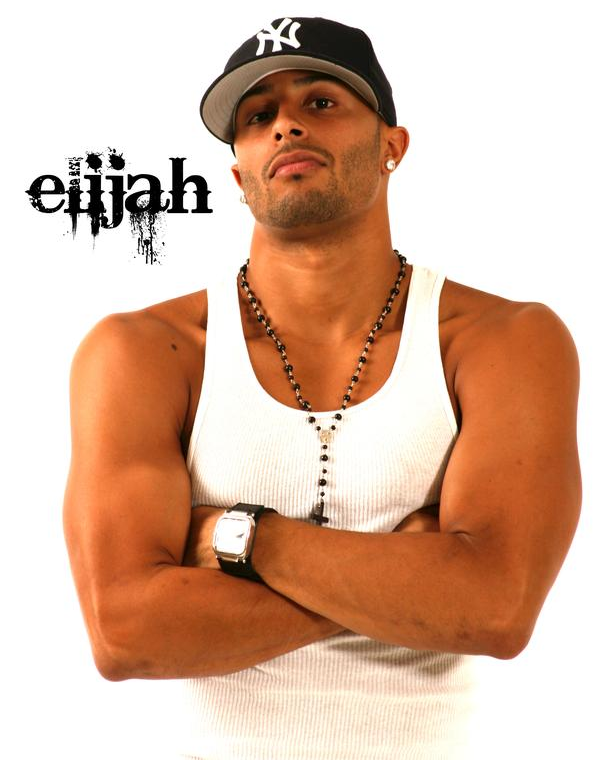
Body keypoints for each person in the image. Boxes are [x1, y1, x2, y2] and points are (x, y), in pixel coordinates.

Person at [63, 16, 582, 760]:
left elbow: (497, 609)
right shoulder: (144, 353)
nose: (285, 126)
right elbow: (125, 635)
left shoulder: (503, 341)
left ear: (393, 146)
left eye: (321, 101)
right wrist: (413, 574)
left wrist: (242, 537)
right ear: (239, 175)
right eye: (257, 116)